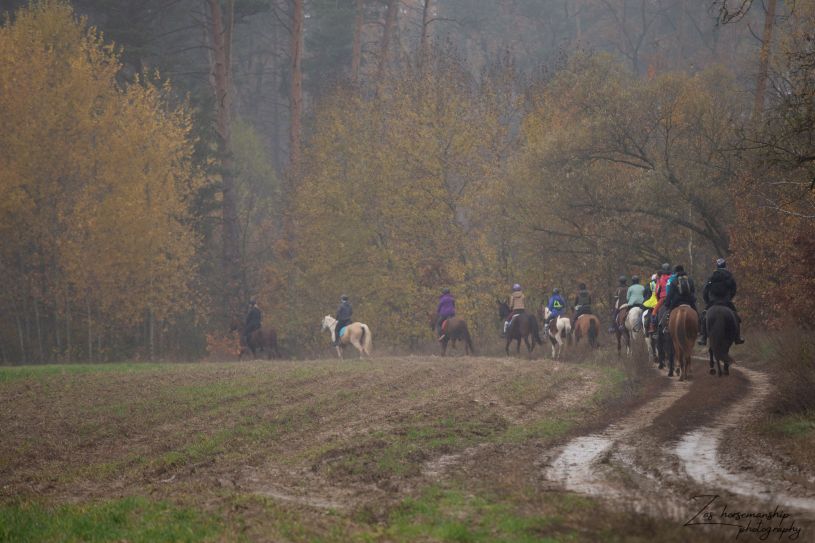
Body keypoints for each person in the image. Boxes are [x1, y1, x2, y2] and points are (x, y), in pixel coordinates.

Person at [698, 258, 745, 345]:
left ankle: (703, 337)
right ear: (725, 265)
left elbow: (705, 291)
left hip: (713, 301)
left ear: (717, 266)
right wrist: (729, 298)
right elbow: (734, 289)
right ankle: (738, 337)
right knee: (736, 316)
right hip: (726, 301)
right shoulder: (729, 276)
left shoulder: (712, 276)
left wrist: (708, 302)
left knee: (704, 316)